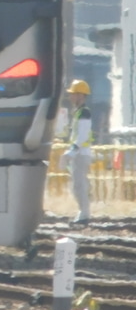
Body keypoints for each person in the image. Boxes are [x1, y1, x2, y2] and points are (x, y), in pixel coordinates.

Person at [63, 79, 94, 225]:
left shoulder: (84, 113)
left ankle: (84, 215)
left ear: (81, 95)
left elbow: (82, 136)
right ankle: (83, 213)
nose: (70, 97)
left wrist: (73, 151)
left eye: (73, 94)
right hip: (79, 154)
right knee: (77, 185)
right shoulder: (78, 112)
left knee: (79, 185)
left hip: (81, 154)